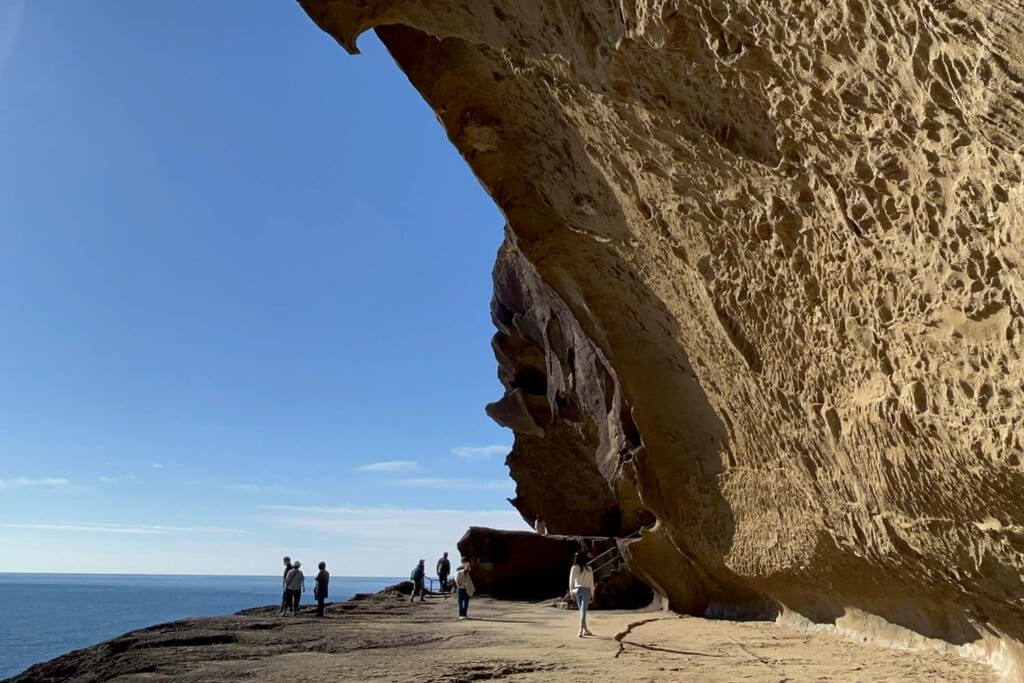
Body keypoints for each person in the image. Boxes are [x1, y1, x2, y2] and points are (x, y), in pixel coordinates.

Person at [569, 552, 595, 637]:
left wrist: (571, 591)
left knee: (581, 611)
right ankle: (581, 629)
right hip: (586, 590)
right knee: (583, 611)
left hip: (577, 590)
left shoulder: (574, 568)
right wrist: (592, 593)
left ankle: (585, 629)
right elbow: (591, 583)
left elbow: (571, 581)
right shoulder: (589, 568)